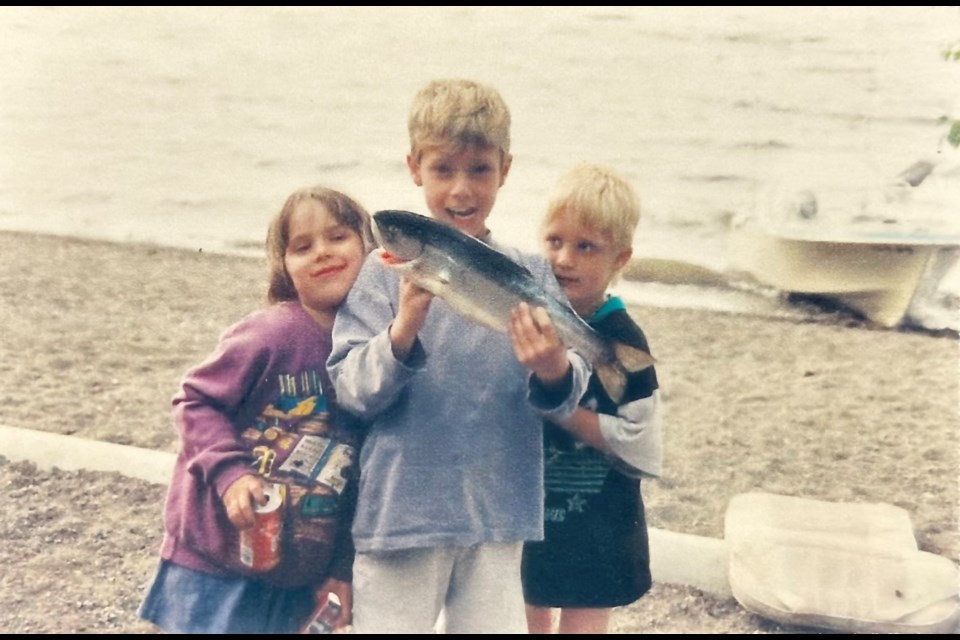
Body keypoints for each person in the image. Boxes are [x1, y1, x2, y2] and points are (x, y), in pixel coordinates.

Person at [326, 78, 592, 634]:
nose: (461, 189)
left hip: (499, 511)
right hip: (401, 513)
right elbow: (351, 391)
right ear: (414, 167)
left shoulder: (531, 272)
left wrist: (553, 369)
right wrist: (403, 329)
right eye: (444, 169)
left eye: (479, 170)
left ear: (506, 170)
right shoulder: (383, 274)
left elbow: (570, 391)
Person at [138, 185, 376, 634]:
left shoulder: (377, 359)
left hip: (294, 574)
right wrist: (232, 476)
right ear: (284, 267)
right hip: (215, 559)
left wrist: (340, 570)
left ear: (372, 247)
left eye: (338, 236)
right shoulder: (273, 334)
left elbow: (362, 478)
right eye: (302, 246)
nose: (322, 252)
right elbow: (195, 401)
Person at [521, 164, 664, 634]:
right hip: (527, 510)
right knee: (522, 614)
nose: (564, 259)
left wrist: (559, 407)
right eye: (555, 241)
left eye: (586, 247)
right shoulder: (525, 317)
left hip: (600, 521)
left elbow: (643, 444)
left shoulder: (623, 339)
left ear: (620, 259)